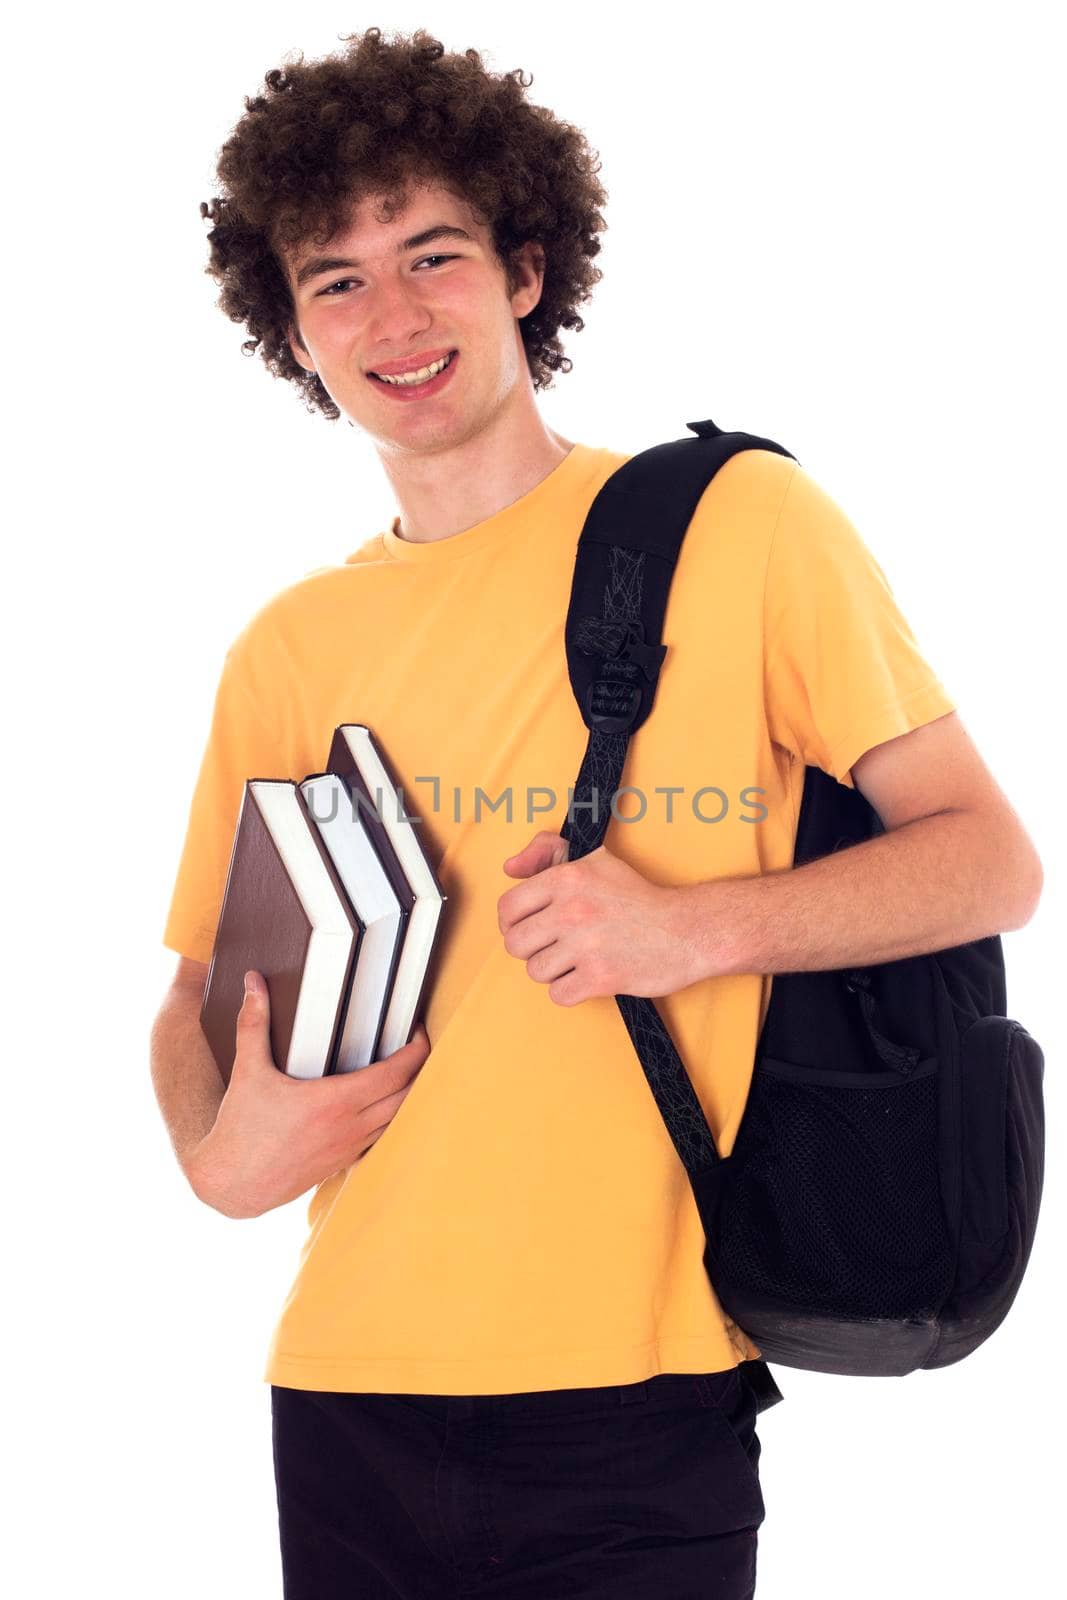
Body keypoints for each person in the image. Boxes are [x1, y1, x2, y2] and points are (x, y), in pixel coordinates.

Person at [150, 26, 1043, 1600]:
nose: (393, 316)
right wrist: (221, 1156)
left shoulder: (738, 528)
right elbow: (196, 999)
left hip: (640, 1400)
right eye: (335, 281)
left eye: (433, 254)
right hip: (345, 1383)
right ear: (291, 333)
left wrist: (692, 926)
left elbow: (990, 863)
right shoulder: (288, 645)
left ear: (527, 268)